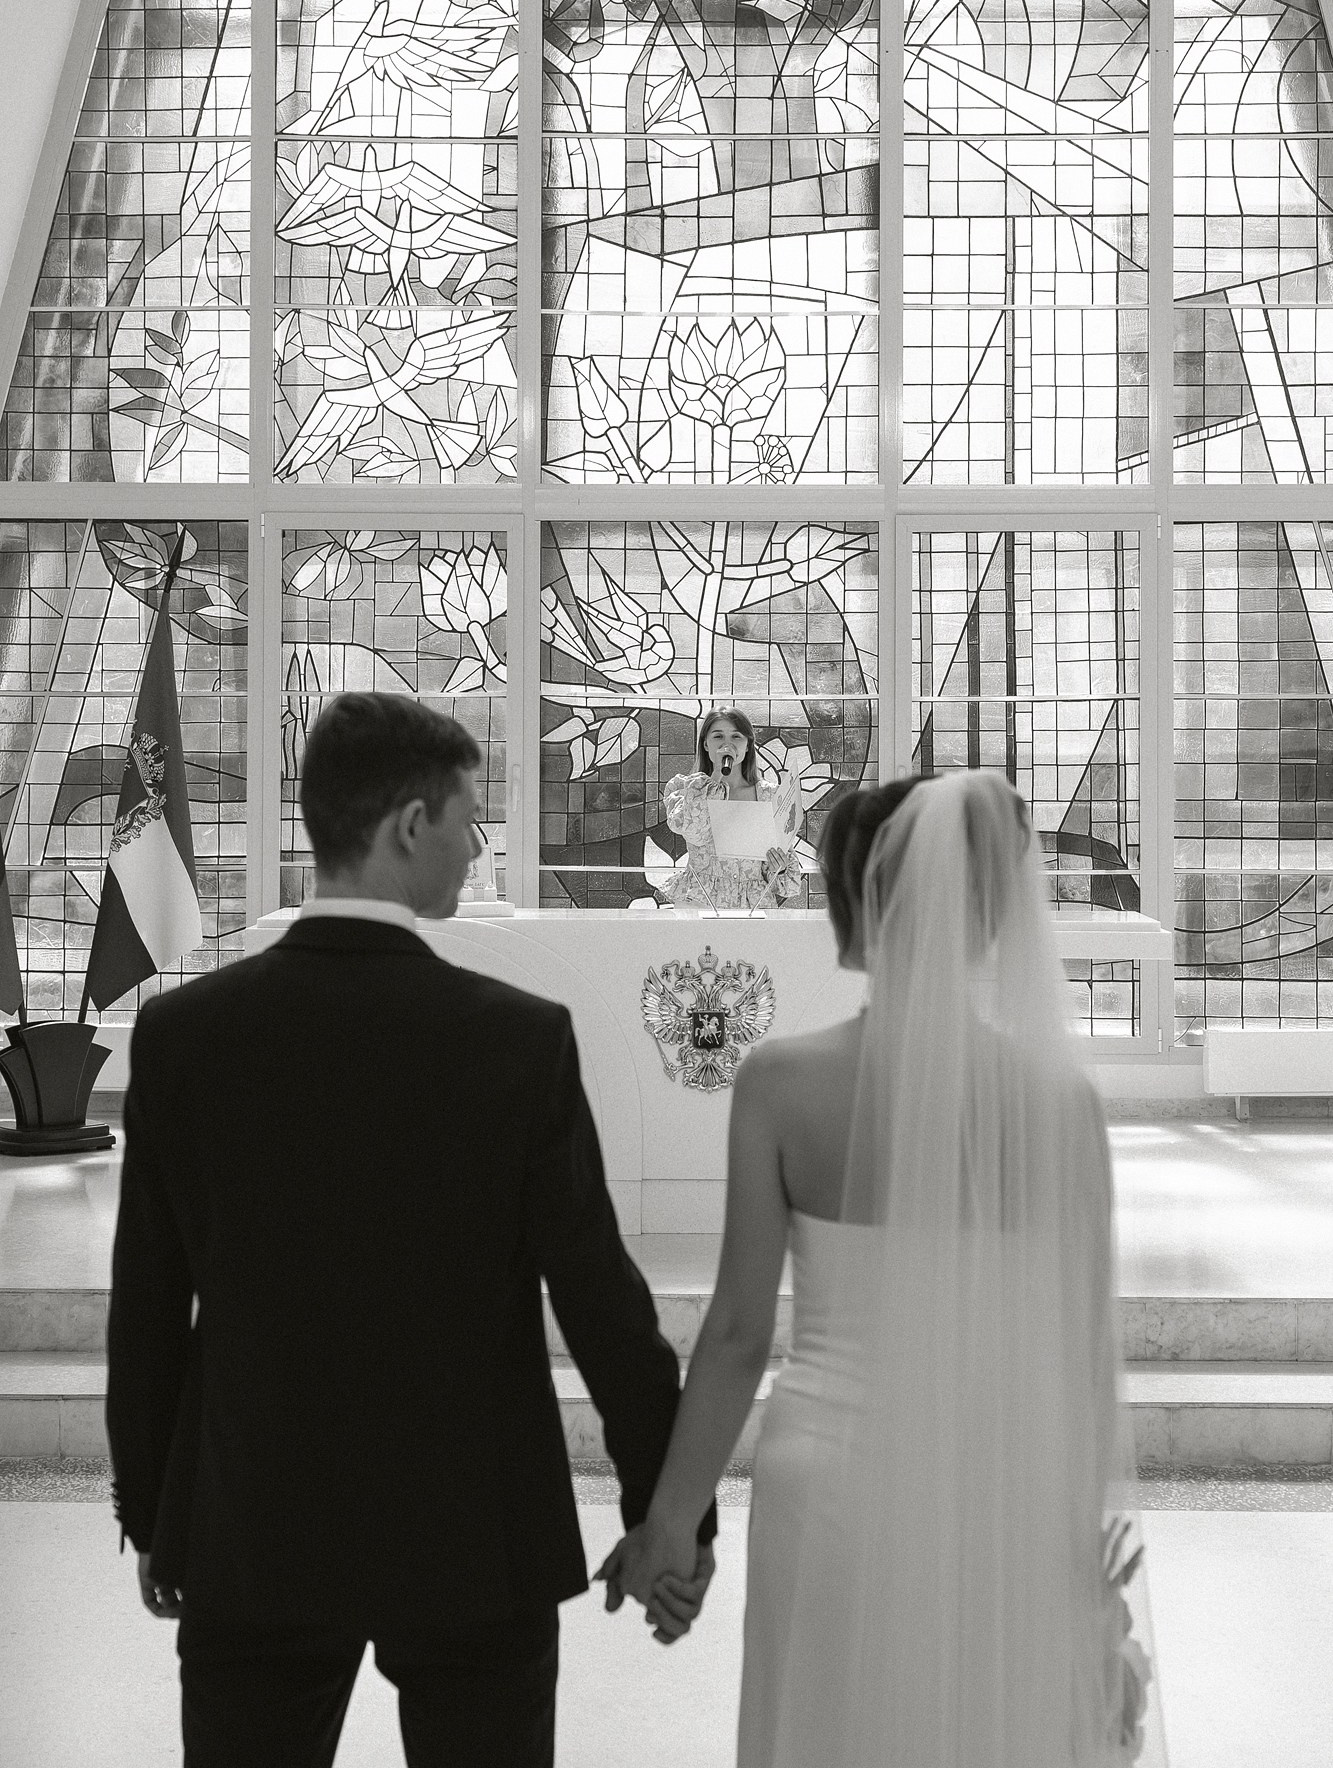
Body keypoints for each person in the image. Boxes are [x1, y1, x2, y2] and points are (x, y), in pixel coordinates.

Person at [106, 692, 714, 1768]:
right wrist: (670, 1516)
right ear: (409, 823)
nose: (477, 847)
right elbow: (599, 1301)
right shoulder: (514, 1042)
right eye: (469, 818)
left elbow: (149, 1301)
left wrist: (157, 1510)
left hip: (256, 1519)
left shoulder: (184, 1035)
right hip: (474, 1530)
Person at [601, 769, 1165, 1767]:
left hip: (828, 1486)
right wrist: (1074, 1537)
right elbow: (1081, 1356)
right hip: (998, 1483)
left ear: (857, 908)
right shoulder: (1060, 1104)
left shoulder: (781, 1083)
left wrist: (670, 1524)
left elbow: (735, 1336)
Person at [658, 709, 802, 910]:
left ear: (748, 744)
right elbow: (694, 831)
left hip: (752, 907)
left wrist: (779, 867)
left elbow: (787, 879)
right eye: (718, 736)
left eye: (736, 736)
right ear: (705, 744)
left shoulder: (770, 796)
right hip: (700, 902)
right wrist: (716, 774)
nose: (727, 744)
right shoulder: (687, 790)